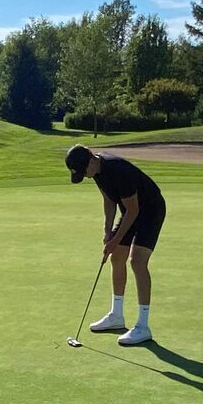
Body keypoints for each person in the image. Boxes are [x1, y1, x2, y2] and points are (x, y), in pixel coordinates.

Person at [64, 143, 166, 346]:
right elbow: (109, 200)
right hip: (132, 211)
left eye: (84, 172)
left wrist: (115, 241)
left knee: (137, 261)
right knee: (117, 257)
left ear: (91, 160)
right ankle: (116, 316)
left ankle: (143, 326)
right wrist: (107, 232)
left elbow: (134, 210)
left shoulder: (118, 170)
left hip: (150, 210)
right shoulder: (95, 172)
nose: (86, 176)